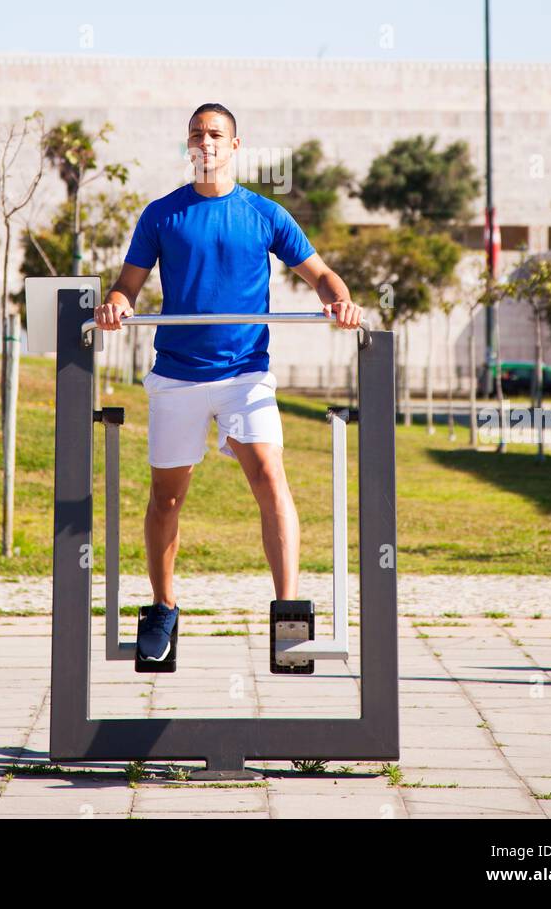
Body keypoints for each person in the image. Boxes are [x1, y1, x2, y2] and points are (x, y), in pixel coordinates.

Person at [93, 103, 364, 661]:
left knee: (269, 475)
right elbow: (127, 288)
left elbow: (320, 274)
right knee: (167, 496)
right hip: (177, 377)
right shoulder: (161, 216)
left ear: (235, 147)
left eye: (216, 134)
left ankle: (288, 614)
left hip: (245, 374)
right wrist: (115, 306)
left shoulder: (264, 214)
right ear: (188, 146)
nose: (207, 142)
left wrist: (339, 300)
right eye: (197, 134)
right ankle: (164, 610)